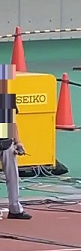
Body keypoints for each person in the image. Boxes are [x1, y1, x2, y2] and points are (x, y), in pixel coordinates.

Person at [0, 64, 31, 220]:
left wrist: (18, 142)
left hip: (6, 142)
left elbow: (12, 121)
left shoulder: (6, 98)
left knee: (13, 177)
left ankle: (15, 208)